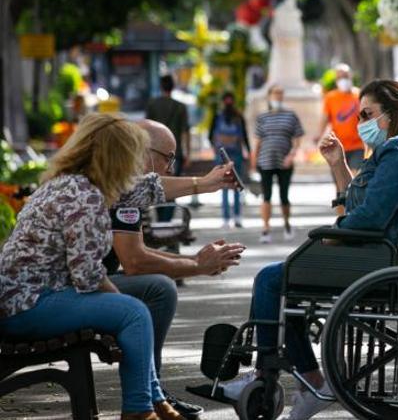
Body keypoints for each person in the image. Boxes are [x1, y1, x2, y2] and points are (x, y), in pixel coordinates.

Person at [222, 79, 398, 420]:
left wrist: (332, 235)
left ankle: (269, 375)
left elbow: (370, 217)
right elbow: (357, 206)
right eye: (359, 117)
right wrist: (337, 165)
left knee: (270, 279)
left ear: (393, 111)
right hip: (380, 256)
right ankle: (308, 381)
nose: (362, 124)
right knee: (287, 283)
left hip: (375, 260)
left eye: (368, 114)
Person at [0, 114, 185, 420]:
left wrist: (206, 183)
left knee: (136, 304)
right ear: (118, 156)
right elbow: (87, 276)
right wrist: (121, 302)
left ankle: (153, 400)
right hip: (30, 305)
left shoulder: (72, 183)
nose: (137, 163)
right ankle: (140, 410)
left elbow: (147, 190)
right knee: (133, 312)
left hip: (28, 298)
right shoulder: (83, 195)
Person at [107, 119, 246, 419]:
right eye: (168, 158)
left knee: (156, 286)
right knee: (158, 289)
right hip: (53, 294)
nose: (169, 168)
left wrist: (194, 262)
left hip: (73, 285)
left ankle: (150, 395)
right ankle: (145, 401)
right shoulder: (114, 182)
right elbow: (134, 263)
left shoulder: (117, 182)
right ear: (141, 151)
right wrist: (196, 266)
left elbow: (136, 254)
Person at [251, 84, 305, 244]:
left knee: (284, 196)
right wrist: (253, 161)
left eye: (281, 93)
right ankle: (266, 229)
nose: (278, 96)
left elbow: (297, 139)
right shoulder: (262, 117)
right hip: (265, 161)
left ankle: (287, 225)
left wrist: (292, 155)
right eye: (275, 93)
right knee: (266, 196)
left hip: (285, 162)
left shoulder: (291, 116)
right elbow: (258, 141)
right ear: (269, 96)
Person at [209, 92, 251, 228]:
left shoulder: (217, 117)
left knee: (224, 186)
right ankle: (237, 217)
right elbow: (245, 136)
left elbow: (210, 136)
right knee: (237, 185)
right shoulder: (239, 117)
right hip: (236, 155)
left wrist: (215, 149)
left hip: (221, 155)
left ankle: (226, 218)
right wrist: (249, 152)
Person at [318, 63, 365, 173]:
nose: (343, 79)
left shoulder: (360, 95)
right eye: (340, 77)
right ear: (336, 79)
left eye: (345, 76)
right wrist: (319, 135)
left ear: (351, 76)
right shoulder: (330, 97)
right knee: (340, 181)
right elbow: (325, 117)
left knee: (354, 177)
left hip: (358, 146)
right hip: (337, 146)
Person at [146, 74, 190, 176]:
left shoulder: (152, 105)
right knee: (175, 183)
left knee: (159, 184)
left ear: (161, 87)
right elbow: (185, 132)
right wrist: (187, 154)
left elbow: (146, 129)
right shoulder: (180, 107)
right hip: (175, 152)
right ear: (173, 87)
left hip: (156, 152)